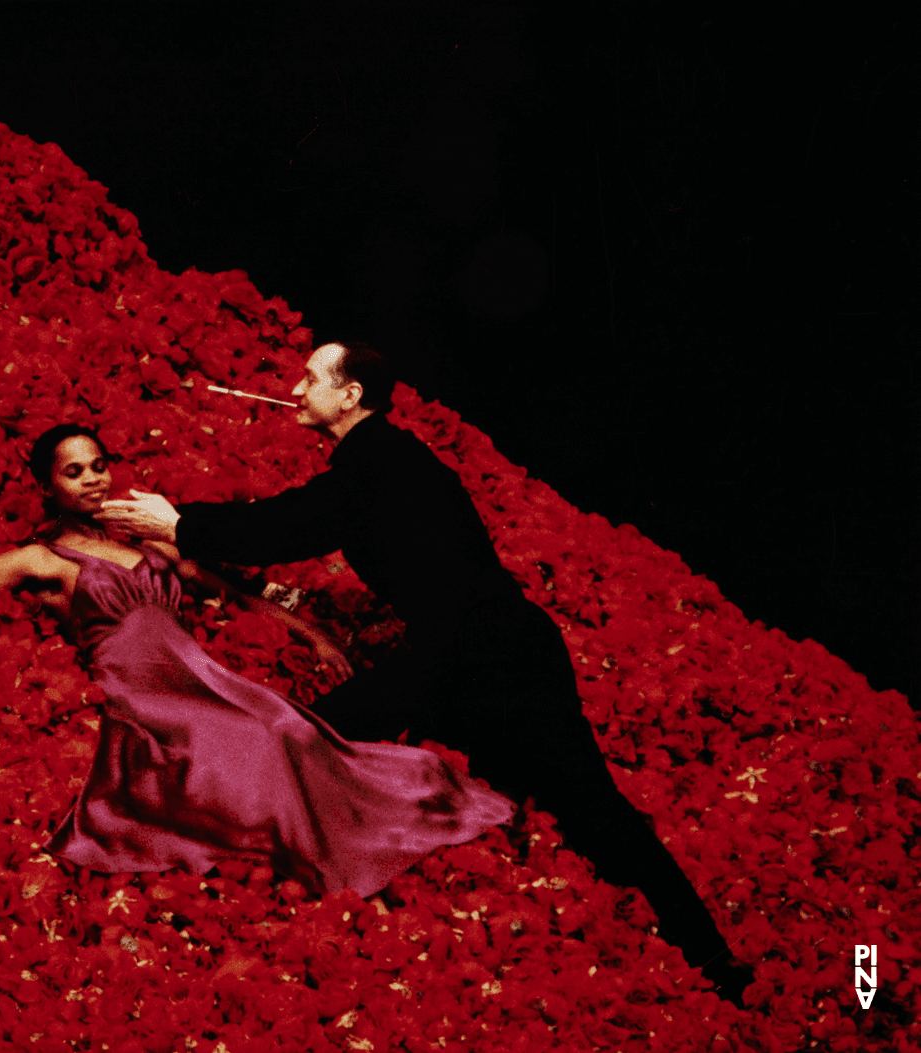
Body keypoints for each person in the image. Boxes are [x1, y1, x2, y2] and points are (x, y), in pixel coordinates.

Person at [96, 341, 756, 1005]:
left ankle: (711, 958)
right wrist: (188, 525)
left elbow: (290, 526)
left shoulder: (378, 462)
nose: (296, 389)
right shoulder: (380, 458)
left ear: (349, 395)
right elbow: (302, 517)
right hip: (470, 654)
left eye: (311, 378)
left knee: (587, 808)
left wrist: (180, 524)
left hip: (493, 655)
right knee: (380, 754)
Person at [0, 423, 515, 898]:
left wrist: (311, 635)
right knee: (264, 737)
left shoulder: (149, 541)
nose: (93, 479)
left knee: (292, 728)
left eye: (99, 466)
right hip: (140, 689)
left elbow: (235, 593)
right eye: (74, 472)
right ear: (48, 487)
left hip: (199, 673)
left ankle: (349, 845)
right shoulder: (38, 560)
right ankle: (326, 866)